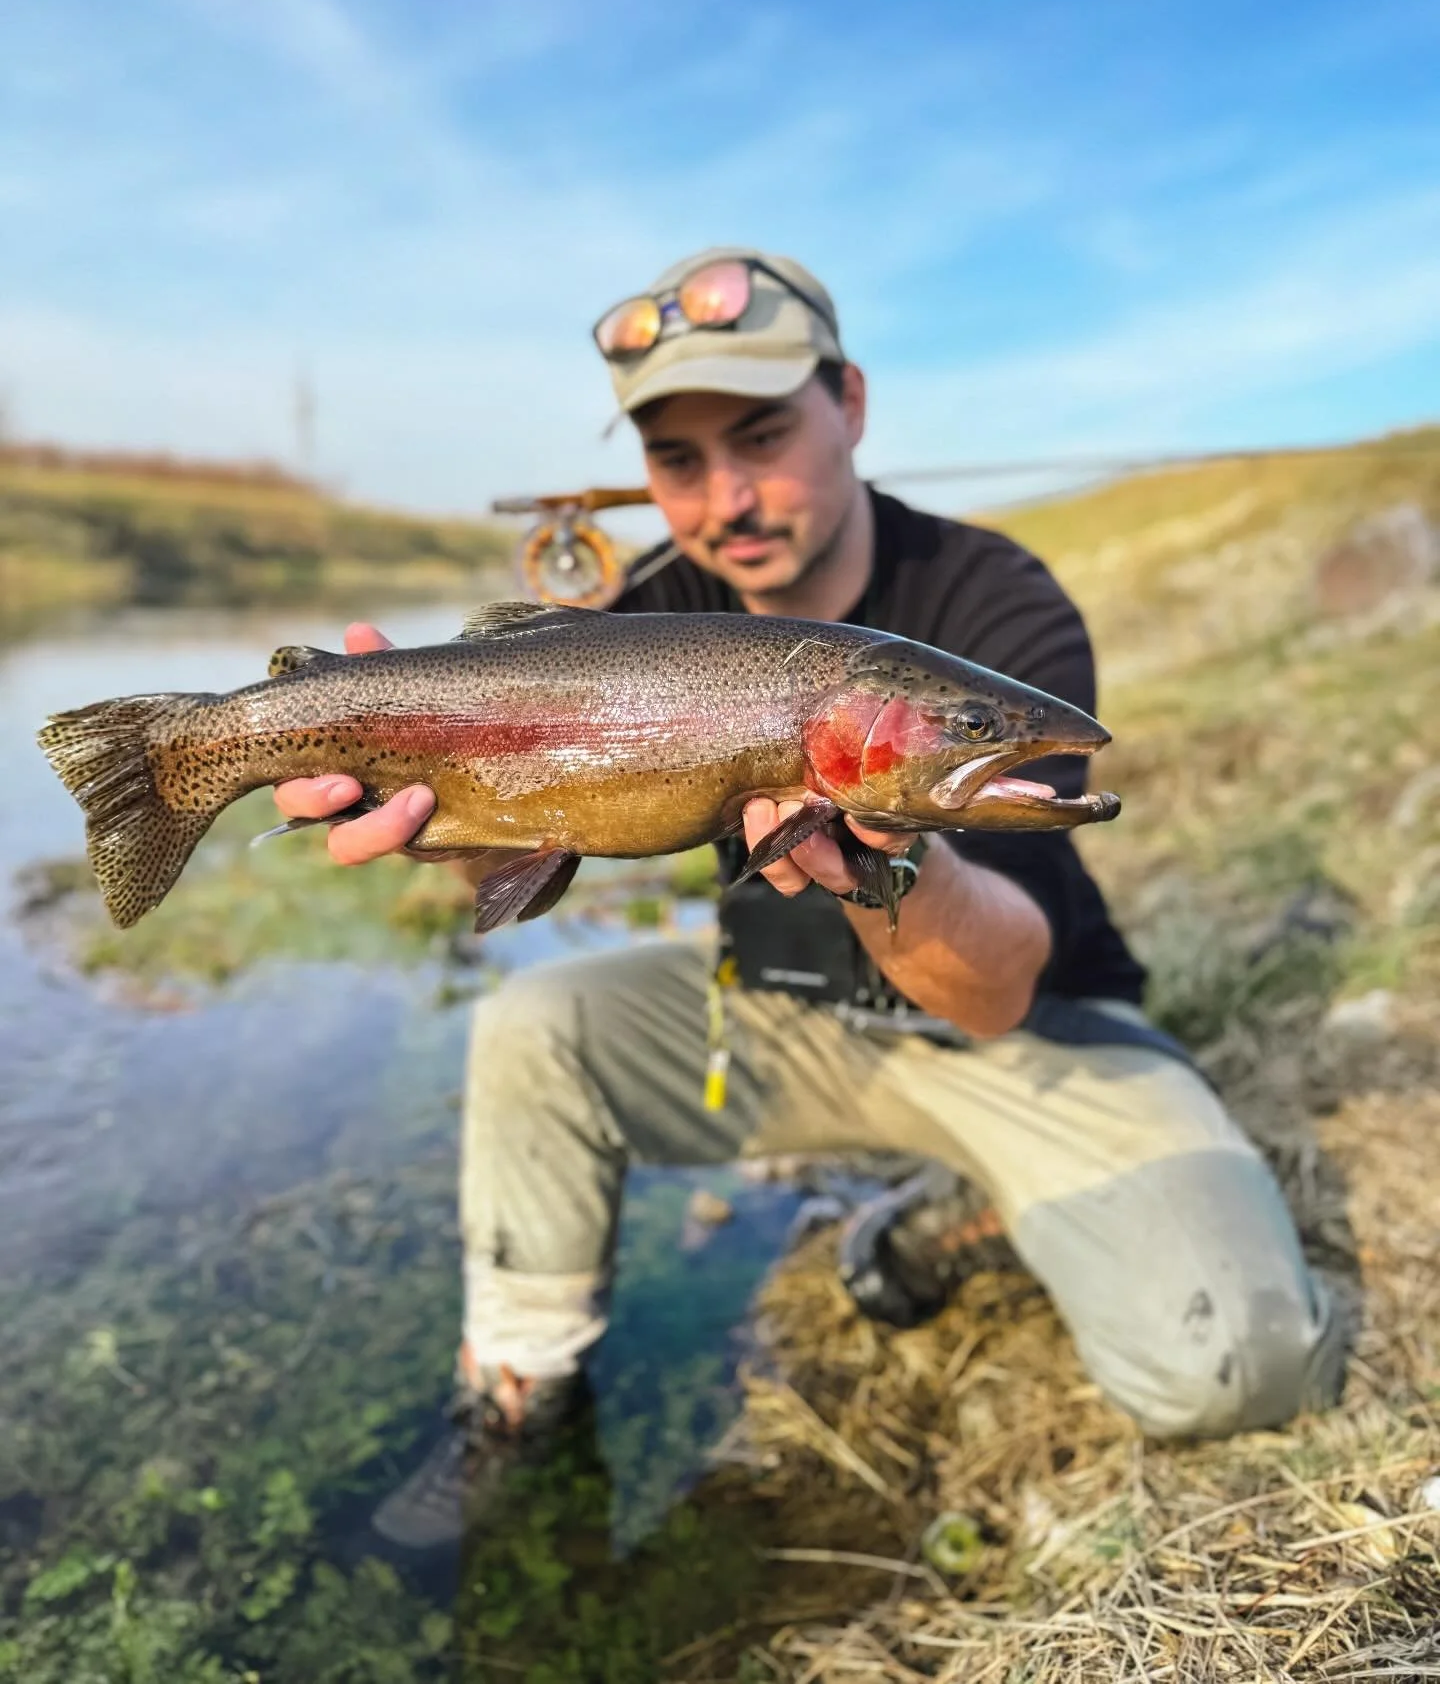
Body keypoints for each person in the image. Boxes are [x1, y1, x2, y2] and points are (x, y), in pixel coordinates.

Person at [274, 247, 1345, 1552]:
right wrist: (435, 819)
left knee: (1241, 1361)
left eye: (764, 434)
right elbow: (525, 828)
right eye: (679, 460)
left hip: (1017, 1038)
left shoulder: (991, 604)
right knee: (533, 1029)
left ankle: (971, 1207)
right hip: (777, 1017)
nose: (726, 496)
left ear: (852, 403)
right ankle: (516, 1398)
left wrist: (893, 860)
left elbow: (1001, 979)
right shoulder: (651, 611)